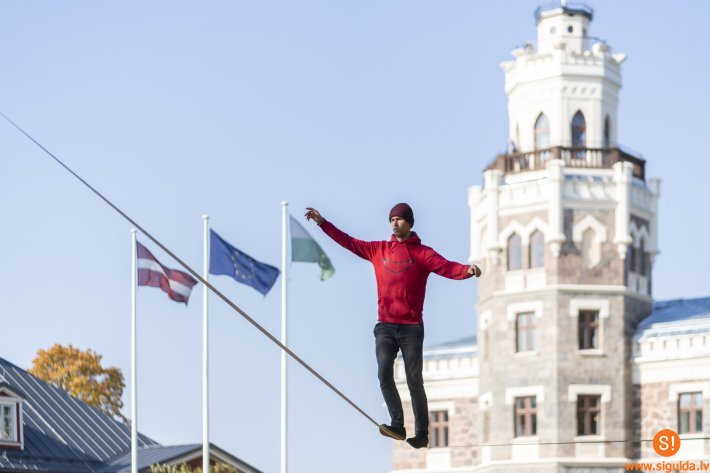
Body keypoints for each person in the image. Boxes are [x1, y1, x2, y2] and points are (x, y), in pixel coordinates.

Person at [305, 203, 481, 449]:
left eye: (399, 219)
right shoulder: (378, 250)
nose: (395, 223)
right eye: (391, 220)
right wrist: (323, 223)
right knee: (384, 373)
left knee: (414, 381)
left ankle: (422, 434)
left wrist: (467, 270)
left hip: (411, 328)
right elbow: (348, 242)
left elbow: (446, 266)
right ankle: (397, 424)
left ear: (409, 223)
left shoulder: (422, 253)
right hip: (386, 326)